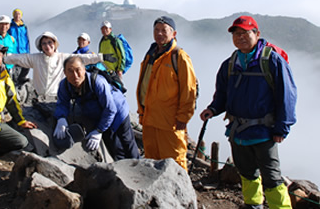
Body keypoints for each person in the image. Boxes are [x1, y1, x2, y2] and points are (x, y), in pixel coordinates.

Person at [199, 16, 297, 209]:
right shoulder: (230, 64)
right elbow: (223, 95)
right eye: (236, 33)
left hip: (265, 132)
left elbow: (287, 96)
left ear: (257, 34)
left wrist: (282, 128)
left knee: (272, 178)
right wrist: (213, 109)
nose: (240, 37)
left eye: (245, 33)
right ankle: (253, 206)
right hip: (238, 132)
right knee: (247, 174)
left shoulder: (272, 61)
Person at [136, 16, 197, 171]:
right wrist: (142, 113)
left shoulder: (179, 56)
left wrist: (183, 117)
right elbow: (144, 86)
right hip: (150, 120)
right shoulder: (150, 55)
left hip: (170, 123)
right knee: (151, 163)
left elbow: (189, 89)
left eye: (164, 30)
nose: (159, 33)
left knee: (175, 163)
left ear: (173, 33)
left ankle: (181, 195)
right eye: (156, 30)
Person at [4, 31, 116, 115]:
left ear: (55, 44)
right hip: (38, 99)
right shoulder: (35, 58)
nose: (47, 46)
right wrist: (2, 58)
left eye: (49, 42)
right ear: (41, 47)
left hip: (56, 100)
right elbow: (18, 58)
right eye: (44, 43)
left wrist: (101, 57)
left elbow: (83, 58)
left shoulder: (63, 58)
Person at [53, 56, 139, 160]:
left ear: (84, 69)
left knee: (127, 142)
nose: (75, 75)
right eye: (70, 71)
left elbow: (110, 109)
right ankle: (122, 170)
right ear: (65, 73)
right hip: (98, 114)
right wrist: (61, 118)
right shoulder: (65, 85)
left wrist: (99, 130)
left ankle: (137, 166)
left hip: (118, 112)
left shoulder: (98, 82)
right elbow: (62, 103)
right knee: (114, 147)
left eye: (78, 70)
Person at [8, 8, 30, 85]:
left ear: (21, 16)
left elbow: (27, 39)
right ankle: (12, 81)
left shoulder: (24, 27)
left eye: (19, 14)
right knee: (13, 68)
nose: (17, 16)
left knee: (26, 65)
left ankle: (21, 79)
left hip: (23, 50)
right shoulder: (10, 26)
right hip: (13, 50)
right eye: (15, 14)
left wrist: (28, 51)